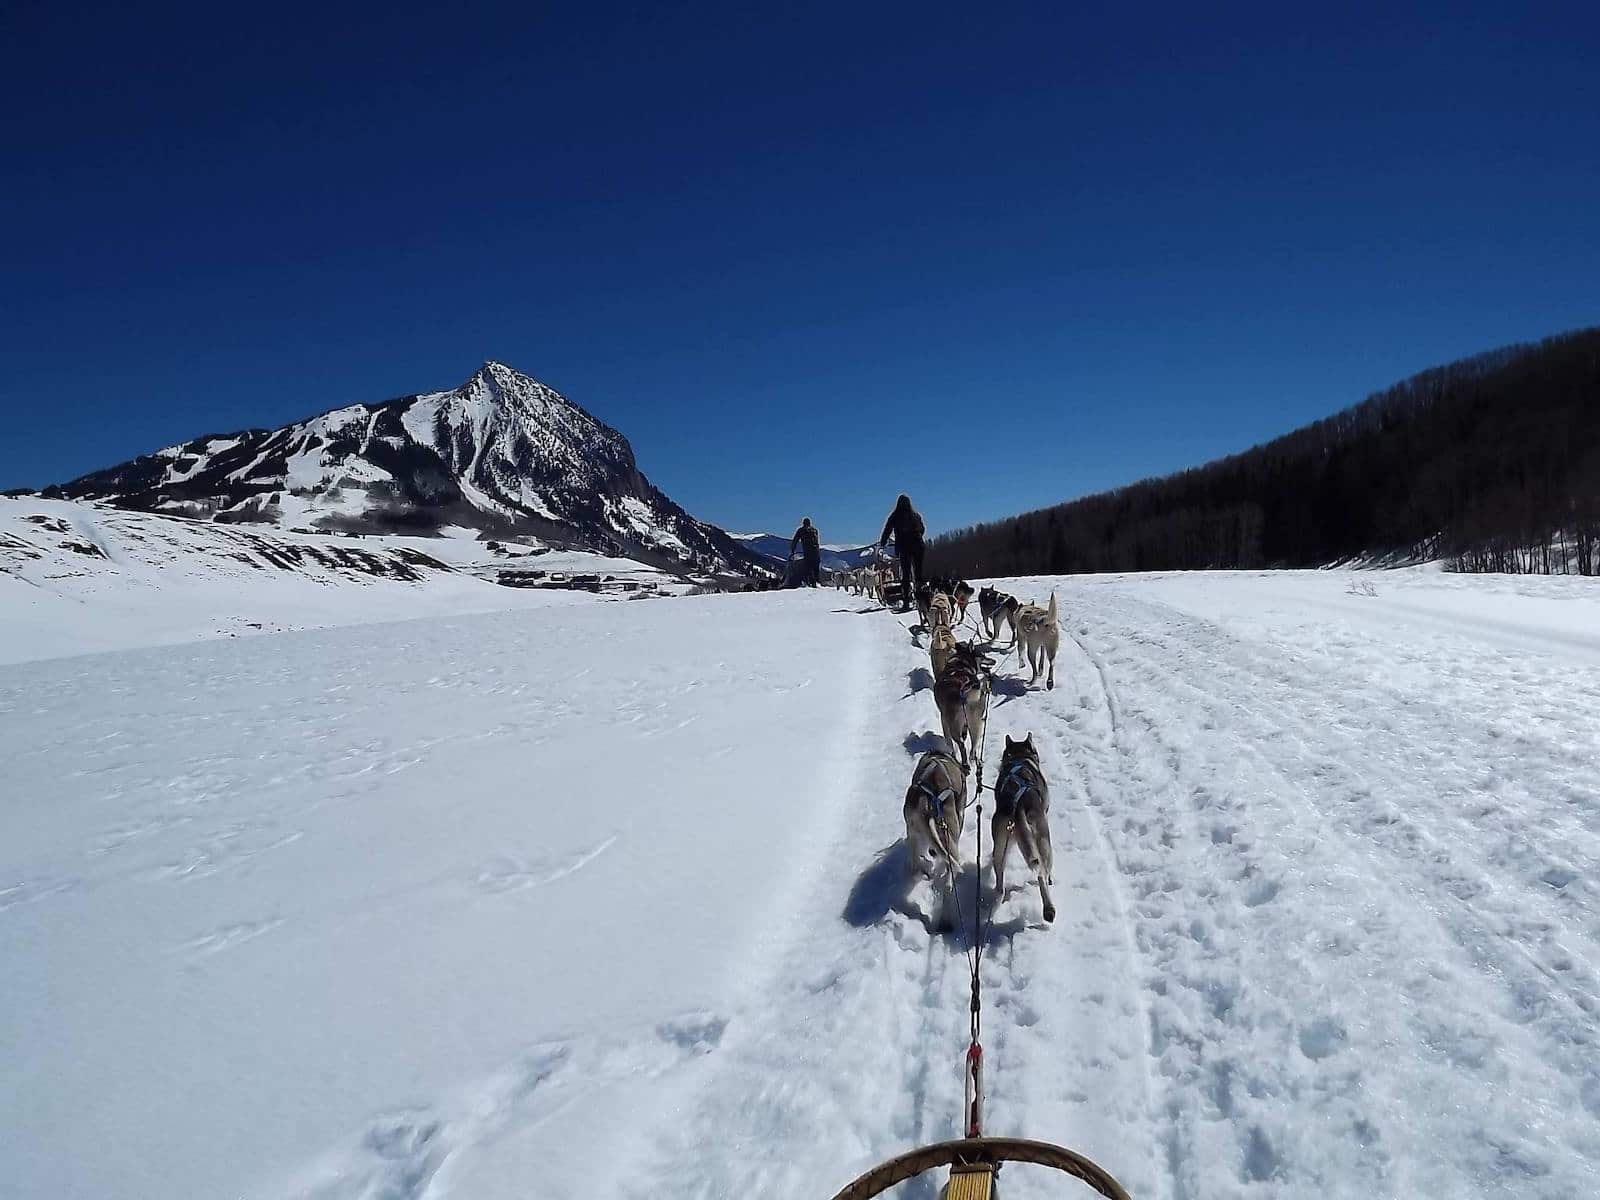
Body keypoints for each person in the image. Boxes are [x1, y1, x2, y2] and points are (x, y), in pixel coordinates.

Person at [879, 494, 926, 611]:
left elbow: (887, 529)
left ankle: (906, 601)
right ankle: (921, 598)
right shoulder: (915, 515)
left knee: (905, 575)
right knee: (918, 573)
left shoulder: (895, 516)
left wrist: (882, 543)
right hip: (918, 545)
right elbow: (922, 529)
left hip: (904, 547)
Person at [790, 516, 822, 587]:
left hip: (808, 551)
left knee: (808, 567)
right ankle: (817, 582)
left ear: (803, 523)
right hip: (816, 552)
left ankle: (810, 582)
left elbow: (795, 540)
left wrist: (792, 550)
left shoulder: (801, 530)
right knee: (816, 568)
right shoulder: (815, 530)